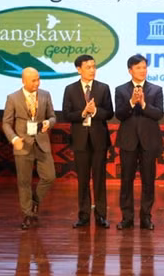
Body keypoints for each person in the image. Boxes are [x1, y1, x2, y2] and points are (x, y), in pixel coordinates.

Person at [62, 54, 114, 229]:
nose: (92, 70)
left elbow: (109, 113)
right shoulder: (70, 89)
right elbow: (66, 114)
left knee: (99, 179)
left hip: (99, 139)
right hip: (80, 140)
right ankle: (83, 215)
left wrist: (96, 110)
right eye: (88, 67)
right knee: (83, 179)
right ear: (79, 69)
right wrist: (83, 113)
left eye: (94, 66)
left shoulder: (103, 88)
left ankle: (101, 215)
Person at [2, 67, 57, 230]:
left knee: (50, 176)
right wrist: (13, 138)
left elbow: (53, 116)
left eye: (38, 79)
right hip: (22, 144)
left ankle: (34, 202)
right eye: (33, 80)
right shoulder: (12, 98)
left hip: (42, 142)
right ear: (23, 81)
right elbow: (6, 122)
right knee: (24, 182)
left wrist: (49, 122)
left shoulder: (45, 95)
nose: (37, 83)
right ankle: (27, 213)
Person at [115, 54, 164, 230]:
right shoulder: (121, 90)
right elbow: (119, 115)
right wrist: (131, 102)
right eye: (138, 68)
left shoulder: (155, 90)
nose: (142, 70)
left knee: (148, 181)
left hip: (149, 142)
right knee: (126, 181)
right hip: (128, 142)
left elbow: (159, 114)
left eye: (144, 67)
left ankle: (146, 217)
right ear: (130, 70)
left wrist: (143, 104)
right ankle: (127, 218)